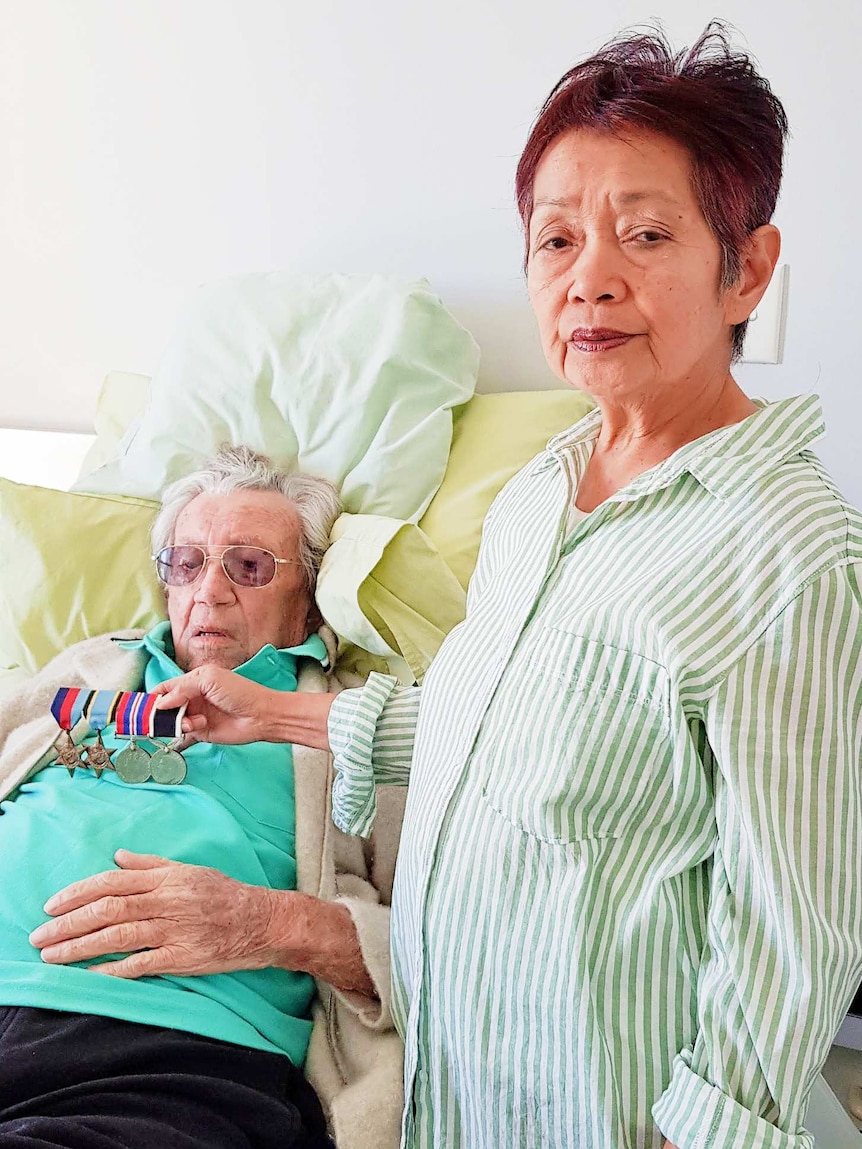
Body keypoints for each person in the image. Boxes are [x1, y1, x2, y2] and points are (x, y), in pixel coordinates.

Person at [155, 26, 862, 1149]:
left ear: (749, 268)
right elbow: (494, 723)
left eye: (644, 233)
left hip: (607, 1105)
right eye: (556, 240)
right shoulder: (543, 489)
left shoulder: (786, 551)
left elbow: (793, 922)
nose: (590, 279)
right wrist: (280, 711)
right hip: (461, 1077)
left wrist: (708, 1133)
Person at [0, 446, 404, 1149]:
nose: (209, 591)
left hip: (160, 1054)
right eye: (186, 564)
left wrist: (270, 921)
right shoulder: (92, 668)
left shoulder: (358, 727)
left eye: (247, 567)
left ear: (305, 599)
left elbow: (448, 948)